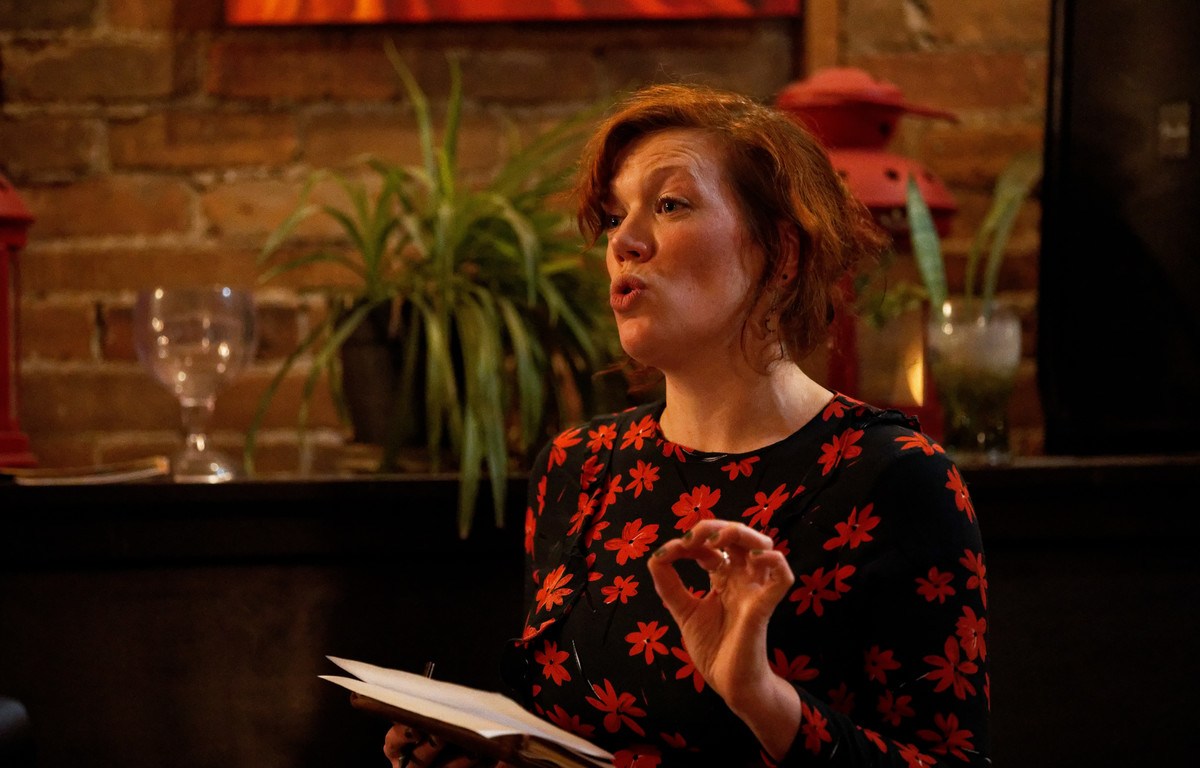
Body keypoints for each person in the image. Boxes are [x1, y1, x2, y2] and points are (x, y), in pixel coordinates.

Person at [385, 82, 989, 767]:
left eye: (670, 205)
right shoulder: (579, 465)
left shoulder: (895, 477)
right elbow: (570, 734)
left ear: (782, 254)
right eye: (615, 216)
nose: (624, 242)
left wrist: (763, 699)